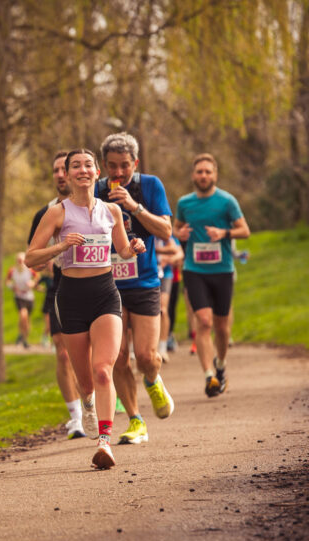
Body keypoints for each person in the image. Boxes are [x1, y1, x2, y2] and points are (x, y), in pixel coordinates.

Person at [26, 149, 145, 469]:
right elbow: (31, 258)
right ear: (67, 174)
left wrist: (134, 247)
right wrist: (62, 246)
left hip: (106, 294)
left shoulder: (112, 212)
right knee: (85, 379)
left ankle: (105, 443)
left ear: (97, 173)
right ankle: (88, 404)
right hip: (71, 297)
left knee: (104, 368)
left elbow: (122, 249)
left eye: (88, 165)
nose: (82, 170)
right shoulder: (57, 213)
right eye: (75, 166)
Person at [95, 133, 175, 445]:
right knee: (117, 357)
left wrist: (134, 206)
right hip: (108, 285)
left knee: (145, 356)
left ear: (135, 164)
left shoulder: (150, 186)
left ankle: (154, 381)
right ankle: (135, 420)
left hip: (144, 282)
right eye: (112, 166)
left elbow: (166, 230)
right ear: (103, 165)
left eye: (124, 166)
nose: (117, 173)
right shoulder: (97, 191)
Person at [28, 151, 97, 440]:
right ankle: (76, 417)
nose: (59, 174)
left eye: (62, 168)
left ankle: (98, 399)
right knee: (63, 352)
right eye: (56, 169)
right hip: (61, 285)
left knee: (93, 354)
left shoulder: (99, 206)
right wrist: (56, 251)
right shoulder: (46, 213)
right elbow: (34, 256)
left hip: (96, 283)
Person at [174, 153, 251, 397]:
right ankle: (209, 377)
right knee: (204, 322)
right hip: (194, 270)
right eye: (200, 172)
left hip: (222, 270)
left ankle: (220, 365)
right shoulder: (184, 203)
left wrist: (224, 233)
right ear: (193, 175)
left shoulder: (227, 201)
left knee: (221, 325)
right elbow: (177, 228)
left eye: (208, 171)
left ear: (215, 175)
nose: (204, 175)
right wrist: (180, 234)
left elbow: (245, 231)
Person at [156, 236, 184, 362]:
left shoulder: (167, 234)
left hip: (165, 275)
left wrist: (168, 259)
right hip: (146, 275)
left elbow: (179, 253)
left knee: (163, 309)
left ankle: (162, 348)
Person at [6, 252, 37, 349]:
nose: (20, 262)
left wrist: (32, 283)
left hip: (29, 297)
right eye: (18, 261)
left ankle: (24, 338)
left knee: (26, 320)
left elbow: (37, 278)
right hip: (19, 296)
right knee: (23, 315)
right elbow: (7, 281)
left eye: (22, 261)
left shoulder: (29, 270)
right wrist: (12, 286)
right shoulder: (12, 270)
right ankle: (22, 336)